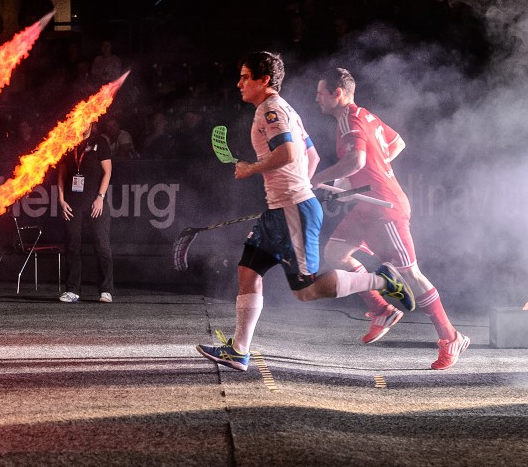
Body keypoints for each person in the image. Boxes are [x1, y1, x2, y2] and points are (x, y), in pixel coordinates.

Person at [196, 51, 414, 372]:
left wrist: (251, 169)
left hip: (291, 210)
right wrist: (304, 185)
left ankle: (381, 281)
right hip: (281, 208)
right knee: (248, 270)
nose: (239, 83)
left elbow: (288, 152)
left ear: (264, 80)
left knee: (306, 290)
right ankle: (239, 351)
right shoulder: (286, 110)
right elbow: (310, 160)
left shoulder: (270, 110)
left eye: (245, 76)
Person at [311, 67, 469, 369]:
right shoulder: (364, 115)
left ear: (338, 94)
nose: (316, 98)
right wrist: (359, 177)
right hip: (367, 207)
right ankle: (381, 310)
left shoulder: (350, 119)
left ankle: (451, 337)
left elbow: (357, 159)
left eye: (320, 92)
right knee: (335, 253)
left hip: (385, 208)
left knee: (411, 274)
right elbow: (396, 144)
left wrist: (320, 179)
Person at [55, 121, 115, 303]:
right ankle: (72, 290)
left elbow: (108, 172)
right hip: (73, 203)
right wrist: (61, 199)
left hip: (95, 202)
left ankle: (106, 290)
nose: (83, 125)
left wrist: (100, 197)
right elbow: (61, 173)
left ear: (91, 123)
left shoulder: (100, 143)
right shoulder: (69, 144)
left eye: (86, 122)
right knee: (72, 245)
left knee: (102, 245)